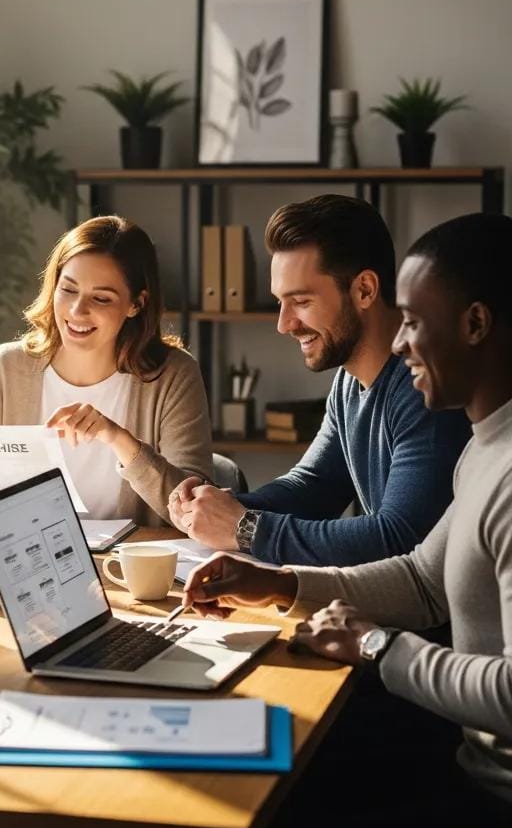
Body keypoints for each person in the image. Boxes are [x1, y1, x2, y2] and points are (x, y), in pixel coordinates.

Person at [183, 212, 512, 828]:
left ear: (474, 324)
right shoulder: (483, 447)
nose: (397, 342)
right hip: (464, 761)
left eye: (413, 321)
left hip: (487, 799)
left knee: (251, 808)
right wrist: (278, 583)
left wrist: (375, 645)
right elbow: (421, 578)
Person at [169, 194, 470, 565]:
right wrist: (215, 506)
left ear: (364, 290)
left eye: (301, 301)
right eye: (280, 302)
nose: (284, 324)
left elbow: (399, 537)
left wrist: (245, 527)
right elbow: (313, 487)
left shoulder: (424, 386)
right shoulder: (349, 381)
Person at [0, 215, 213, 526]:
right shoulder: (4, 369)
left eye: (101, 298)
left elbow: (197, 514)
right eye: (68, 290)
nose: (77, 311)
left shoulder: (173, 375)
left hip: (128, 570)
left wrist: (118, 440)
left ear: (136, 304)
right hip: (26, 562)